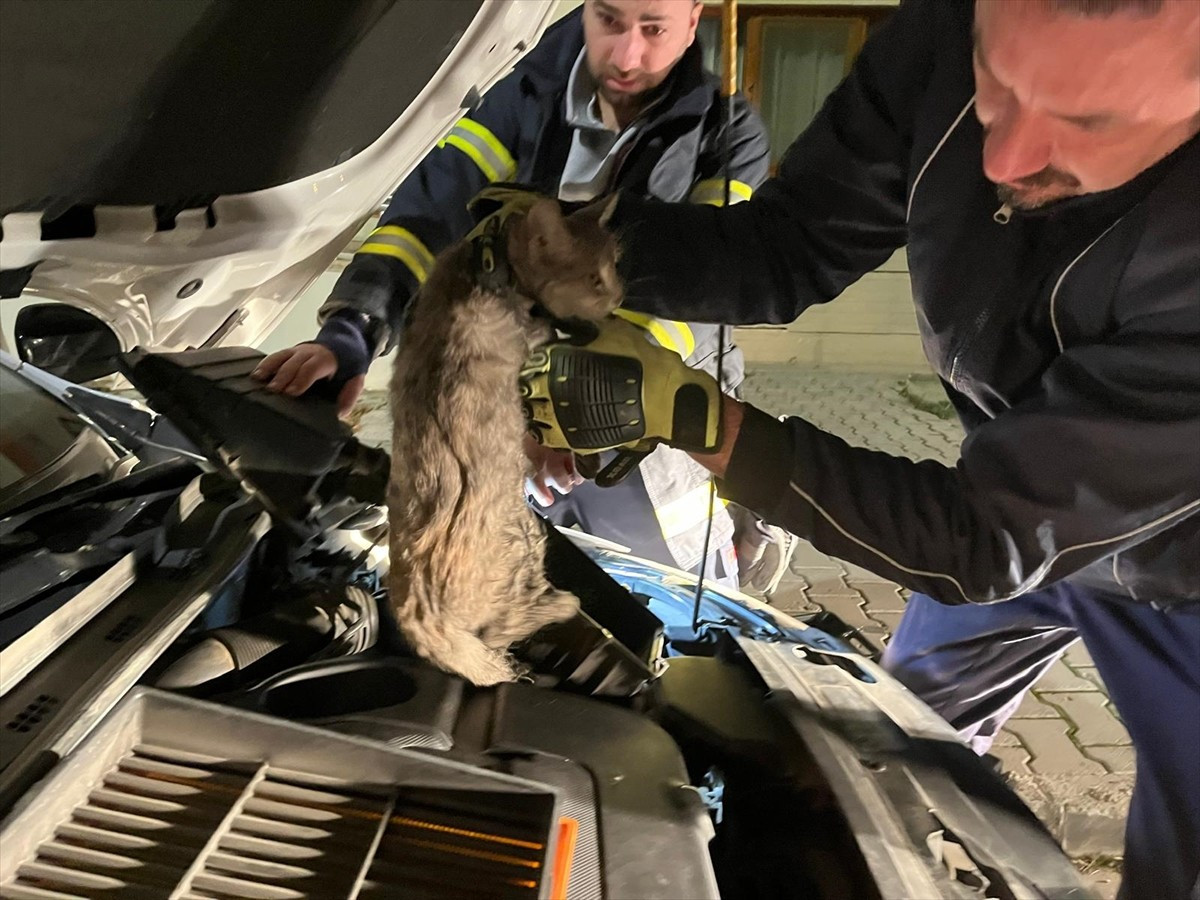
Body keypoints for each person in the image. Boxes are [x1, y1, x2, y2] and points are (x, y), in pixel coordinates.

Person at [518, 1, 1200, 896]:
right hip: (1010, 489)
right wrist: (569, 246)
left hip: (1176, 571)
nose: (1000, 158)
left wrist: (699, 422)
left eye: (1086, 120)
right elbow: (787, 245)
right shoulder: (940, 42)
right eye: (996, 85)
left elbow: (980, 542)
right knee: (888, 749)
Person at [252, 0, 787, 589]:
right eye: (609, 20)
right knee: (509, 597)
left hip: (652, 421)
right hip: (511, 407)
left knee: (672, 608)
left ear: (693, 20)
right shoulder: (518, 98)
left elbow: (700, 285)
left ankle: (740, 550)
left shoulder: (729, 136)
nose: (627, 54)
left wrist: (575, 405)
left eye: (653, 29)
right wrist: (353, 330)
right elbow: (427, 218)